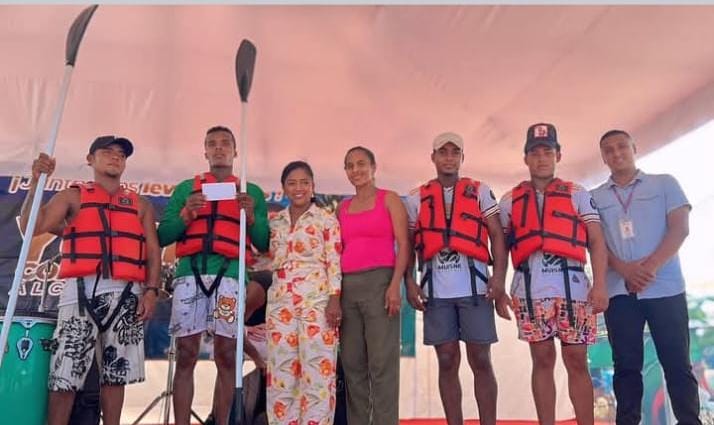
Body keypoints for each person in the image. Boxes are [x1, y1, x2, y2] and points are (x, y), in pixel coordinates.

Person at [20, 136, 161, 425]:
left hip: (127, 293)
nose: (115, 157)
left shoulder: (141, 204)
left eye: (121, 154)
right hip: (79, 291)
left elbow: (152, 252)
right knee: (65, 374)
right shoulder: (72, 197)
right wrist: (36, 182)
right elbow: (30, 227)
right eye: (107, 152)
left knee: (115, 375)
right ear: (90, 159)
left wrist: (151, 291)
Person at [157, 125, 269, 425]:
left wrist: (252, 216)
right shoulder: (186, 189)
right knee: (186, 353)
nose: (219, 148)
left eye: (225, 143)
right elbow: (163, 235)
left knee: (226, 353)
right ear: (205, 151)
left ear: (235, 151)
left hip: (230, 277)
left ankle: (222, 422)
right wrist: (186, 215)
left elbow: (263, 243)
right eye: (212, 143)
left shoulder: (250, 192)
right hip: (189, 276)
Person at [498, 123, 609, 425]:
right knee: (542, 359)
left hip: (574, 288)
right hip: (529, 291)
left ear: (558, 155)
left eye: (548, 152)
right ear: (526, 158)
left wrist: (600, 285)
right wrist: (498, 287)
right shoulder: (509, 200)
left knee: (577, 360)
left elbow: (597, 241)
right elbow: (501, 247)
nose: (542, 158)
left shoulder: (577, 193)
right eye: (535, 153)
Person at [590, 129, 701, 425]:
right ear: (603, 157)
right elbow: (595, 241)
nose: (616, 153)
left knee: (677, 364)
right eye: (609, 150)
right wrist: (623, 269)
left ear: (634, 148)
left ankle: (689, 421)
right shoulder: (594, 197)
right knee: (626, 367)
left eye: (622, 146)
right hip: (619, 290)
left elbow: (680, 228)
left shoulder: (665, 183)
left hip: (665, 287)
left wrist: (649, 267)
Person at [404, 133, 507, 425]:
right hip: (436, 291)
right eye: (443, 152)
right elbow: (408, 243)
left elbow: (497, 235)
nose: (448, 157)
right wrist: (409, 282)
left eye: (454, 152)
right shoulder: (415, 197)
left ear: (462, 157)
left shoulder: (480, 191)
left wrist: (499, 278)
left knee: (481, 358)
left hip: (476, 288)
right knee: (447, 360)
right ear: (433, 157)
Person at [266, 160, 342, 425]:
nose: (298, 188)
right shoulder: (276, 222)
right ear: (283, 188)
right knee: (282, 374)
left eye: (304, 183)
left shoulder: (326, 220)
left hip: (317, 303)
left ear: (313, 187)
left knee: (317, 373)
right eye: (292, 183)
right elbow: (265, 259)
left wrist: (334, 299)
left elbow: (334, 262)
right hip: (280, 305)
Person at [337, 146, 408, 425]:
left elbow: (404, 245)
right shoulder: (342, 208)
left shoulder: (389, 199)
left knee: (382, 364)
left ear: (374, 167)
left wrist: (395, 285)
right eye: (350, 165)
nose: (356, 170)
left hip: (381, 283)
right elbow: (336, 251)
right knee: (352, 364)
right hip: (347, 288)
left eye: (361, 164)